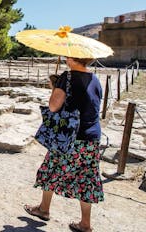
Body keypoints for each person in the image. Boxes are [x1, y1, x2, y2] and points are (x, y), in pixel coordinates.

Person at [24, 56, 103, 232]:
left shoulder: (67, 77)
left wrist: (55, 87)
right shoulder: (95, 79)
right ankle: (85, 224)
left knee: (50, 169)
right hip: (92, 135)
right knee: (86, 178)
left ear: (73, 59)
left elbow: (53, 106)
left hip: (68, 135)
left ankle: (44, 209)